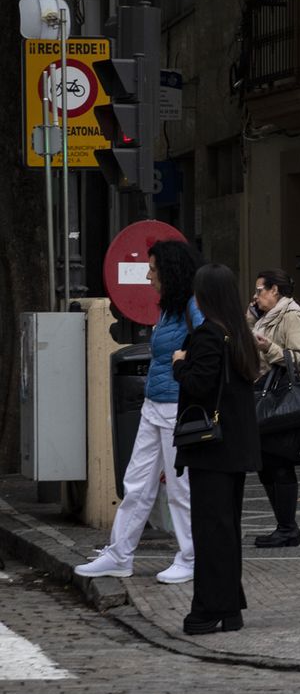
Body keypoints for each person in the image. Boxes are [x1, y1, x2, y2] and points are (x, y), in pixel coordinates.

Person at [75, 238, 201, 583]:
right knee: (137, 483)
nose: (148, 276)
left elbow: (211, 344)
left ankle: (191, 557)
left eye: (153, 269)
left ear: (170, 272)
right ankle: (119, 555)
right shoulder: (171, 307)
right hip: (154, 404)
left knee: (180, 487)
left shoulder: (192, 305)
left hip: (177, 406)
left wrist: (184, 361)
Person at [171, 263, 262, 634]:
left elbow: (199, 384)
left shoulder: (209, 334)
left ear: (204, 295)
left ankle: (209, 609)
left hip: (212, 447)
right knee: (225, 528)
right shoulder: (237, 332)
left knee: (210, 531)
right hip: (234, 447)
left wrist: (180, 364)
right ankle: (229, 607)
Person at [247, 268, 300, 547]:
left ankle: (288, 529)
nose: (255, 296)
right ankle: (285, 526)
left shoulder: (293, 316)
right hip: (268, 398)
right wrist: (251, 319)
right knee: (266, 464)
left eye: (259, 290)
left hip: (285, 401)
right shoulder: (265, 317)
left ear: (274, 290)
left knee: (280, 464)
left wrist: (270, 348)